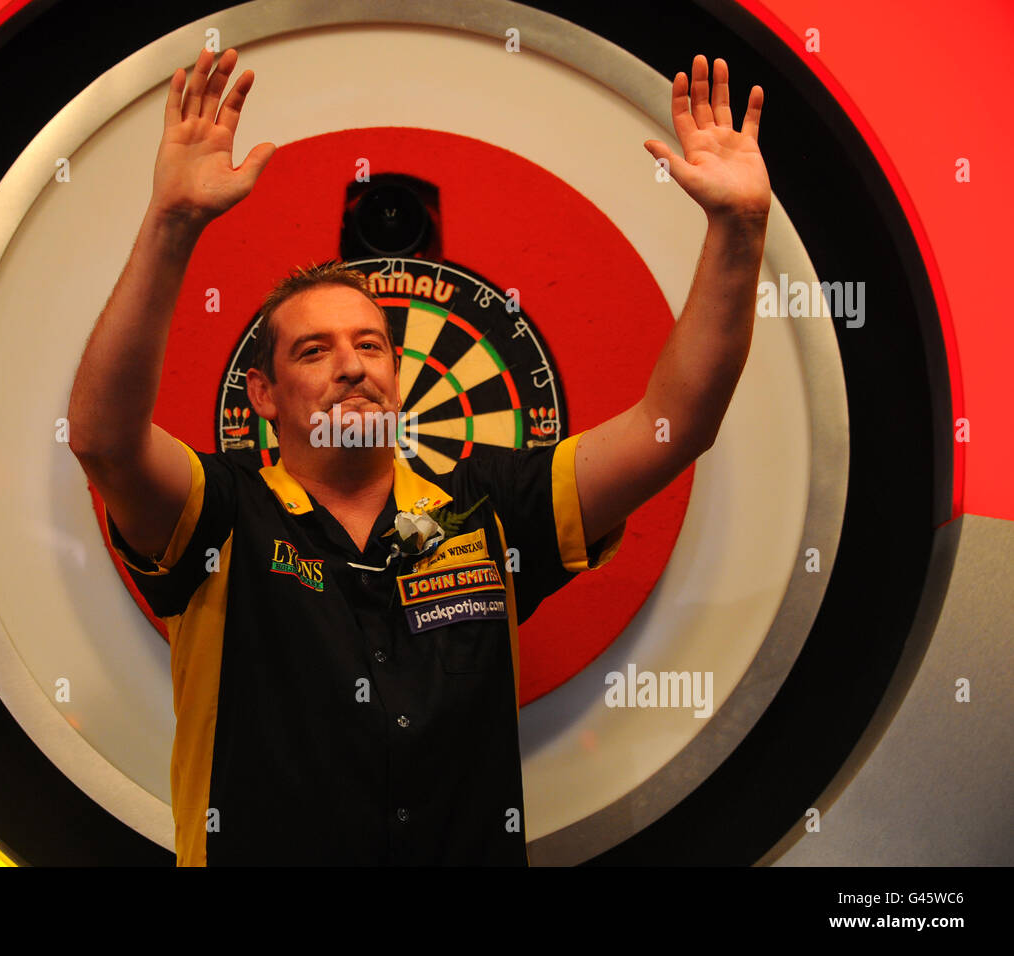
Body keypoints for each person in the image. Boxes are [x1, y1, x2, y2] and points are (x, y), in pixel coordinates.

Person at [67, 46, 770, 866]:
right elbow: (102, 440)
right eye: (314, 351)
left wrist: (740, 227)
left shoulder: (490, 504)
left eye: (371, 344)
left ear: (398, 374)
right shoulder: (219, 512)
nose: (352, 365)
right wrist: (173, 222)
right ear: (259, 394)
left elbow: (676, 424)